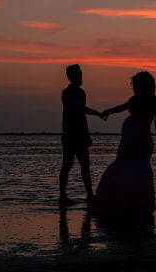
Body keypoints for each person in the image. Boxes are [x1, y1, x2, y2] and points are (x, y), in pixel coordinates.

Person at [90, 71, 156, 214]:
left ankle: (122, 202)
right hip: (141, 140)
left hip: (134, 139)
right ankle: (138, 203)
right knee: (139, 170)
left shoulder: (137, 100)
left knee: (123, 167)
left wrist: (108, 111)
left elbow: (121, 108)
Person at [59, 64, 105, 206]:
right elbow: (80, 108)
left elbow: (82, 116)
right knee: (67, 164)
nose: (81, 77)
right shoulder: (68, 93)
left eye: (81, 74)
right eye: (78, 74)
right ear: (70, 77)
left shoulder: (82, 92)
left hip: (81, 135)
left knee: (85, 166)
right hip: (70, 135)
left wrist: (87, 135)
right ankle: (62, 196)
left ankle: (90, 195)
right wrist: (98, 113)